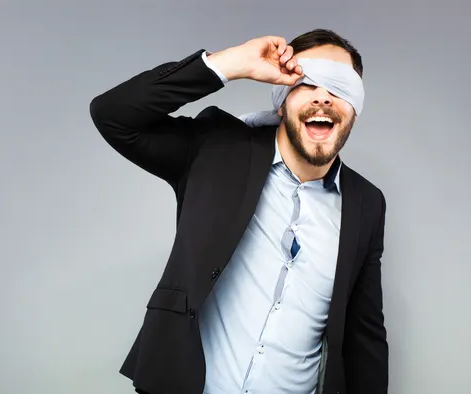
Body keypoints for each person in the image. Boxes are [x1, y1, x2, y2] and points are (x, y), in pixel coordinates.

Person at [89, 28, 388, 394]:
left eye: (339, 88)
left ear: (355, 109)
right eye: (308, 83)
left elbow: (365, 334)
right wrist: (228, 64)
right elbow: (113, 115)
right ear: (282, 100)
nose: (324, 98)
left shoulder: (367, 204)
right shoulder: (217, 149)